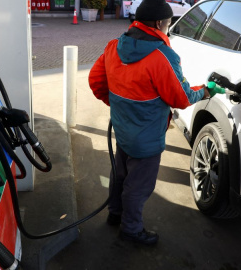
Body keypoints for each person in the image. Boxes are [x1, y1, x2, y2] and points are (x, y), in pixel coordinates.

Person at [88, 0, 210, 245]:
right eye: (168, 24)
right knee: (138, 187)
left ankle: (115, 214)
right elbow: (181, 97)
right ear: (158, 24)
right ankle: (131, 230)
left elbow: (96, 82)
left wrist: (119, 107)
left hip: (122, 129)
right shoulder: (162, 56)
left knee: (120, 173)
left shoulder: (114, 46)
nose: (168, 28)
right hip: (147, 138)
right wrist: (205, 92)